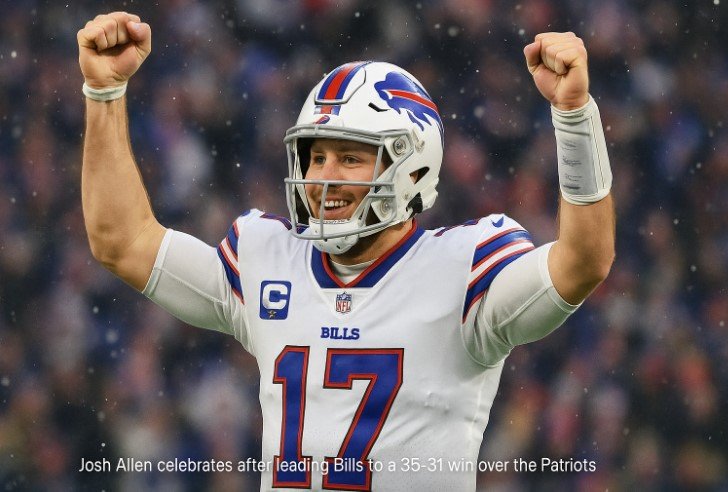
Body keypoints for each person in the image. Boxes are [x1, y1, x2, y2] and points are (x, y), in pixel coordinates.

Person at [78, 11, 615, 491]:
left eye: (352, 159)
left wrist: (573, 117)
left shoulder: (466, 268)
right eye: (316, 157)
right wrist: (104, 94)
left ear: (412, 168)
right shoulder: (266, 257)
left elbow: (583, 262)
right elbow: (121, 242)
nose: (324, 179)